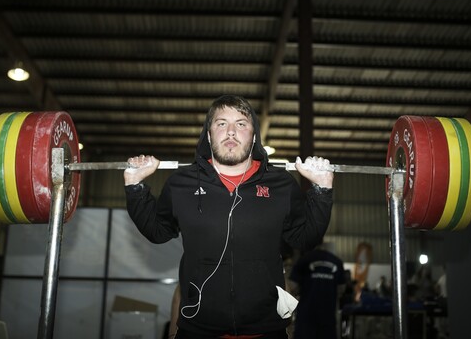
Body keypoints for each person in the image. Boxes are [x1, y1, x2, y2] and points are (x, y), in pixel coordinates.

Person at [124, 95, 334, 338]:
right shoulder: (181, 184)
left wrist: (322, 190)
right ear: (209, 135)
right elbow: (157, 232)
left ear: (254, 136)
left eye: (241, 124)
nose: (231, 132)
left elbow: (304, 238)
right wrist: (135, 187)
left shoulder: (281, 185)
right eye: (221, 123)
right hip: (199, 329)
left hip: (266, 329)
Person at [288, 241, 346, 339]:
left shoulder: (303, 260)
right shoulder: (337, 262)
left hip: (306, 318)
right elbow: (341, 289)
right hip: (328, 317)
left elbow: (292, 287)